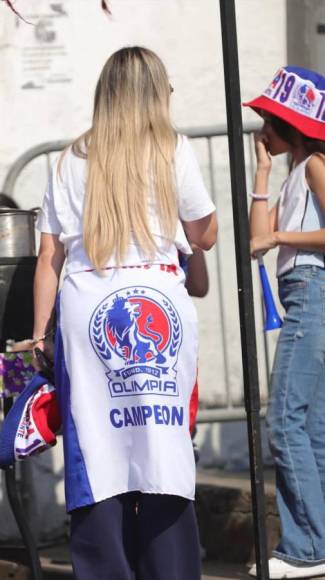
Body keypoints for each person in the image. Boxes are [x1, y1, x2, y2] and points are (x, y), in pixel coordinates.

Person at [33, 46, 217, 580]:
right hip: (157, 298)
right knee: (164, 443)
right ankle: (172, 568)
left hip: (89, 304)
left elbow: (50, 256)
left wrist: (39, 332)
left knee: (97, 445)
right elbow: (204, 232)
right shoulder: (171, 149)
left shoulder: (71, 159)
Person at [245, 66, 325, 579]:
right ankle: (313, 545)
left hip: (313, 292)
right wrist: (261, 171)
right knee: (312, 428)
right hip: (306, 294)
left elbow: (272, 240)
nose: (262, 131)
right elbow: (256, 237)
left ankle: (307, 546)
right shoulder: (295, 171)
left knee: (284, 421)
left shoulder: (317, 163)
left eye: (267, 122)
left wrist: (281, 240)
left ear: (289, 122)